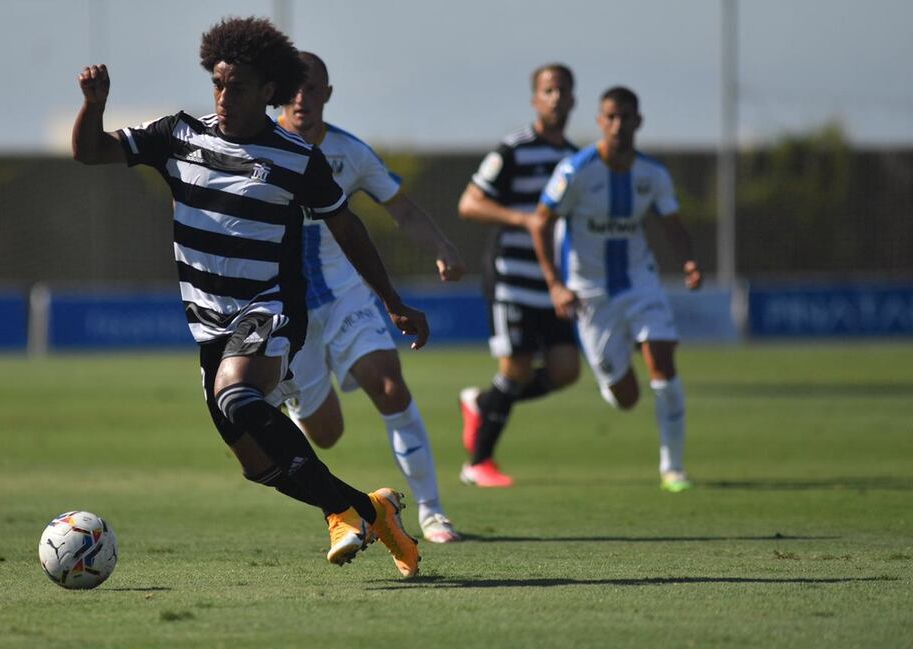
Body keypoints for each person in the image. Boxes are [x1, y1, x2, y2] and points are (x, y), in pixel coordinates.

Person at [72, 16, 425, 576]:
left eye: (237, 87)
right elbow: (91, 152)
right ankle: (371, 509)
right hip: (209, 323)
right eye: (217, 83)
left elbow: (347, 226)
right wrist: (94, 106)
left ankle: (340, 511)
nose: (224, 96)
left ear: (268, 92)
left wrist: (391, 299)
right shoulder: (178, 136)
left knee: (237, 397)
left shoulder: (296, 159)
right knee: (258, 466)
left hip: (271, 306)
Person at [278, 51, 466, 543]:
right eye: (294, 88)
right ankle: (297, 406)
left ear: (327, 94)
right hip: (286, 308)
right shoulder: (258, 146)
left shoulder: (350, 153)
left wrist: (442, 246)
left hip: (346, 295)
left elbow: (401, 209)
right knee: (326, 434)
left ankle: (432, 510)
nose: (303, 98)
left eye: (313, 88)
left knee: (389, 384)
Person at [528, 86, 703, 492]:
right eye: (611, 116)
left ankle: (673, 468)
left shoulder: (652, 174)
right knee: (626, 398)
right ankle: (614, 378)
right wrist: (556, 284)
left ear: (639, 121)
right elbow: (541, 222)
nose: (619, 124)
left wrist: (690, 260)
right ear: (599, 121)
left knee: (664, 365)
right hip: (590, 294)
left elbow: (672, 223)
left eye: (626, 116)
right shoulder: (576, 171)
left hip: (641, 283)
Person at [455, 63, 582, 487]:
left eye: (563, 90)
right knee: (516, 367)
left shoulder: (575, 160)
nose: (557, 97)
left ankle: (482, 401)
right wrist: (522, 219)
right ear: (535, 99)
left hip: (554, 282)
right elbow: (469, 204)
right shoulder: (512, 150)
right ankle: (478, 462)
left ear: (574, 99)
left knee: (565, 370)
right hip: (512, 277)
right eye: (548, 90)